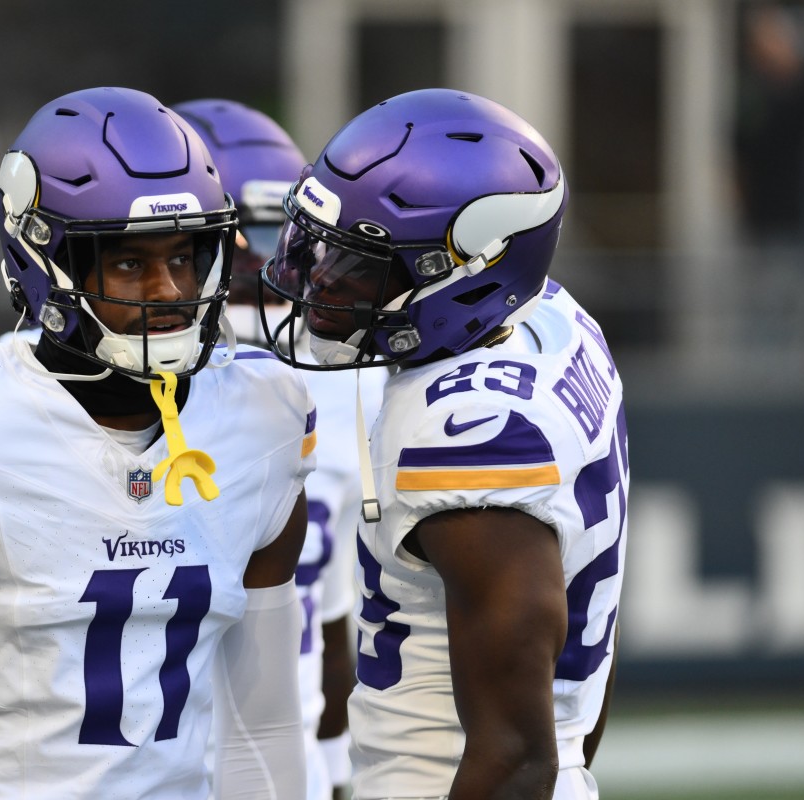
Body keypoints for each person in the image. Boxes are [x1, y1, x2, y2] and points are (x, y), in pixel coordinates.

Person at [0, 87, 313, 799]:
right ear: (45, 261)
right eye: (129, 264)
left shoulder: (262, 413)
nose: (169, 289)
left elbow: (264, 723)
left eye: (186, 256)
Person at [259, 88, 628, 800]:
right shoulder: (554, 319)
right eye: (324, 248)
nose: (321, 285)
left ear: (464, 272)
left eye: (361, 265)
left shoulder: (467, 436)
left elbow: (517, 756)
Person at [174, 97, 384, 800]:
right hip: (287, 768)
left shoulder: (127, 386)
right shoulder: (353, 380)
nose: (271, 262)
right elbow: (332, 638)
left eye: (282, 234)